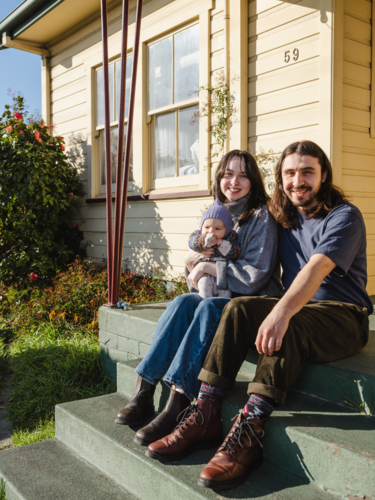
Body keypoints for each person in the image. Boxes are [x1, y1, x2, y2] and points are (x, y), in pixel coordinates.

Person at [145, 140, 372, 491]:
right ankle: (205, 411)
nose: (299, 181)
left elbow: (317, 269)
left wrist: (280, 311)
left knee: (291, 323)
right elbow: (232, 233)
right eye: (290, 173)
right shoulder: (281, 217)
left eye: (308, 172)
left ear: (324, 174)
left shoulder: (344, 216)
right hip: (299, 308)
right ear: (280, 180)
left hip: (343, 315)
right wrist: (198, 255)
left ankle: (249, 429)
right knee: (236, 309)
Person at [115, 149, 282, 450]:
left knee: (206, 306)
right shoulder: (216, 213)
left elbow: (256, 274)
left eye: (243, 175)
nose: (234, 181)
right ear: (219, 178)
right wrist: (195, 259)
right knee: (181, 302)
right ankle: (144, 391)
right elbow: (194, 268)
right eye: (228, 174)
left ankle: (177, 403)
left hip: (252, 301)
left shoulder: (261, 217)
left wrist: (209, 266)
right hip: (220, 293)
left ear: (253, 180)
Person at [188, 198, 240, 298]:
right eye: (207, 227)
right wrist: (203, 241)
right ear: (201, 226)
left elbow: (236, 253)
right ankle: (205, 305)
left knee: (226, 294)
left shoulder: (230, 237)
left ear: (226, 230)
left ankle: (222, 309)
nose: (211, 231)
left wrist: (223, 245)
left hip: (221, 274)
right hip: (204, 275)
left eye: (217, 228)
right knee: (204, 290)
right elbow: (192, 242)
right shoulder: (197, 235)